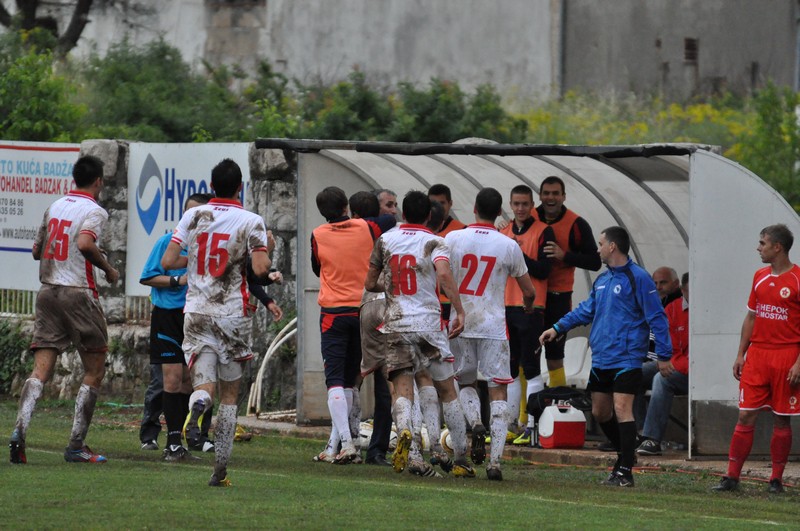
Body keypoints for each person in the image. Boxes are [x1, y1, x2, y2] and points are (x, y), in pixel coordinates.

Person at [162, 158, 274, 487]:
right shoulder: (250, 220)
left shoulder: (192, 215)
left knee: (203, 385)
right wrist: (268, 246)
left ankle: (197, 404)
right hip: (231, 313)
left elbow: (169, 261)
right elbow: (260, 270)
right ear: (240, 187)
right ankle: (220, 468)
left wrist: (195, 259)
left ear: (211, 187)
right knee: (230, 394)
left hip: (195, 311)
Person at [540, 226, 672, 488]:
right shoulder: (602, 280)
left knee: (622, 409)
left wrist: (664, 355)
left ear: (613, 246)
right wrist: (557, 328)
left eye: (601, 243)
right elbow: (584, 311)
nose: (597, 248)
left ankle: (625, 470)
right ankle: (627, 450)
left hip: (627, 358)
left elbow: (657, 317)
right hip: (601, 358)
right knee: (601, 412)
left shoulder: (639, 278)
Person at [9, 155, 120, 464]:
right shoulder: (94, 211)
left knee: (40, 370)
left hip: (47, 292)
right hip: (78, 293)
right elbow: (85, 244)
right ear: (98, 181)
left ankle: (20, 430)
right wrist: (108, 269)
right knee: (94, 368)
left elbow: (36, 250)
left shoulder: (55, 206)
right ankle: (75, 445)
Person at [364, 190, 474, 478]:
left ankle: (405, 435)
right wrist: (459, 310)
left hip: (397, 323)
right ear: (428, 215)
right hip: (428, 325)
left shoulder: (386, 239)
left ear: (402, 213)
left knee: (403, 389)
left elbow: (370, 282)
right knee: (447, 390)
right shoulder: (435, 241)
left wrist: (391, 288)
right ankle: (461, 458)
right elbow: (443, 274)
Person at [447, 187, 536, 480]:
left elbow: (441, 275)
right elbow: (529, 290)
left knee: (465, 380)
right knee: (498, 389)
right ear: (500, 212)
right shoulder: (507, 244)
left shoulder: (452, 238)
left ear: (474, 208)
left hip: (460, 323)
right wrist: (528, 305)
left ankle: (475, 421)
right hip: (493, 326)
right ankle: (495, 462)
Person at [713, 224, 800, 494]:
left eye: (762, 243)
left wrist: (799, 362)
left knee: (781, 418)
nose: (758, 247)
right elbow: (752, 316)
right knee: (745, 415)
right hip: (758, 356)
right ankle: (731, 477)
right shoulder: (759, 276)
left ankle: (776, 479)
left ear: (778, 247)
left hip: (787, 355)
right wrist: (741, 353)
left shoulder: (798, 279)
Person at [311, 187, 394, 464]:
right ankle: (341, 443)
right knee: (352, 380)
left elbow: (317, 266)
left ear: (323, 212)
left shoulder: (318, 234)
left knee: (335, 380)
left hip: (333, 313)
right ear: (347, 205)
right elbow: (388, 225)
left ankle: (346, 444)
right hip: (364, 310)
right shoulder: (367, 227)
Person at [138, 193, 215, 461]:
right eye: (190, 214)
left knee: (186, 382)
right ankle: (170, 444)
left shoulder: (208, 246)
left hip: (195, 317)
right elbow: (147, 277)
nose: (194, 220)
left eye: (200, 215)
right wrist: (176, 282)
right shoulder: (167, 244)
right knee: (170, 379)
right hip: (168, 317)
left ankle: (182, 440)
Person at [500, 185, 554, 445]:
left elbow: (544, 270)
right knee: (510, 370)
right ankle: (511, 425)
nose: (520, 208)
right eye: (516, 203)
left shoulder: (543, 231)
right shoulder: (504, 232)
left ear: (532, 204)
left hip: (532, 308)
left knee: (531, 369)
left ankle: (532, 426)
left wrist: (517, 254)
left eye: (525, 204)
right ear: (510, 205)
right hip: (506, 307)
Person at [537, 176, 601, 387]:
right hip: (530, 297)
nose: (551, 198)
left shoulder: (577, 224)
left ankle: (557, 402)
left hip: (559, 296)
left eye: (556, 193)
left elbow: (595, 261)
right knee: (525, 356)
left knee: (555, 355)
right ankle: (523, 416)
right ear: (540, 196)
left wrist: (565, 256)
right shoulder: (529, 216)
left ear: (563, 196)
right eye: (546, 193)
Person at [637, 272, 690, 456]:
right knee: (632, 374)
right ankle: (638, 432)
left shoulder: (709, 312)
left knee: (661, 379)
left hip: (692, 371)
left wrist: (672, 364)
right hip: (672, 363)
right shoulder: (672, 309)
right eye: (690, 290)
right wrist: (667, 361)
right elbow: (666, 343)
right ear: (683, 290)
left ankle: (652, 439)